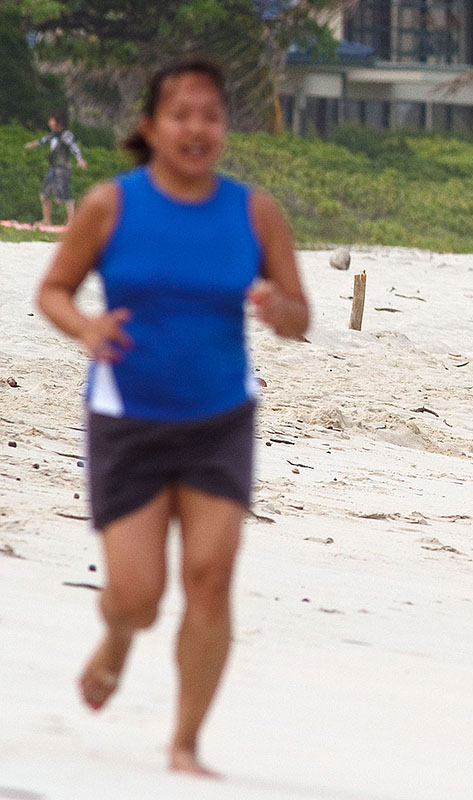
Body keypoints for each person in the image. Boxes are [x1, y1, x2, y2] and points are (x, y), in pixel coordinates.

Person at [37, 58, 310, 776]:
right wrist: (88, 329)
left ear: (225, 127)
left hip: (220, 415)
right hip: (128, 415)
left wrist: (282, 312)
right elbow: (55, 291)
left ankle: (186, 743)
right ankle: (119, 638)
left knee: (211, 577)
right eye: (181, 115)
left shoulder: (254, 211)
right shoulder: (110, 204)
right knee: (139, 597)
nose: (197, 128)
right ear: (151, 126)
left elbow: (298, 313)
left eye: (211, 116)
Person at [25, 110, 88, 227]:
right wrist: (32, 144)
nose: (49, 122)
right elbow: (44, 140)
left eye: (51, 120)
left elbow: (74, 147)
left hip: (62, 169)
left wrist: (80, 159)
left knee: (64, 195)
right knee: (45, 194)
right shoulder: (54, 134)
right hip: (53, 168)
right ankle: (46, 220)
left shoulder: (66, 135)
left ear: (58, 122)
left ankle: (72, 221)